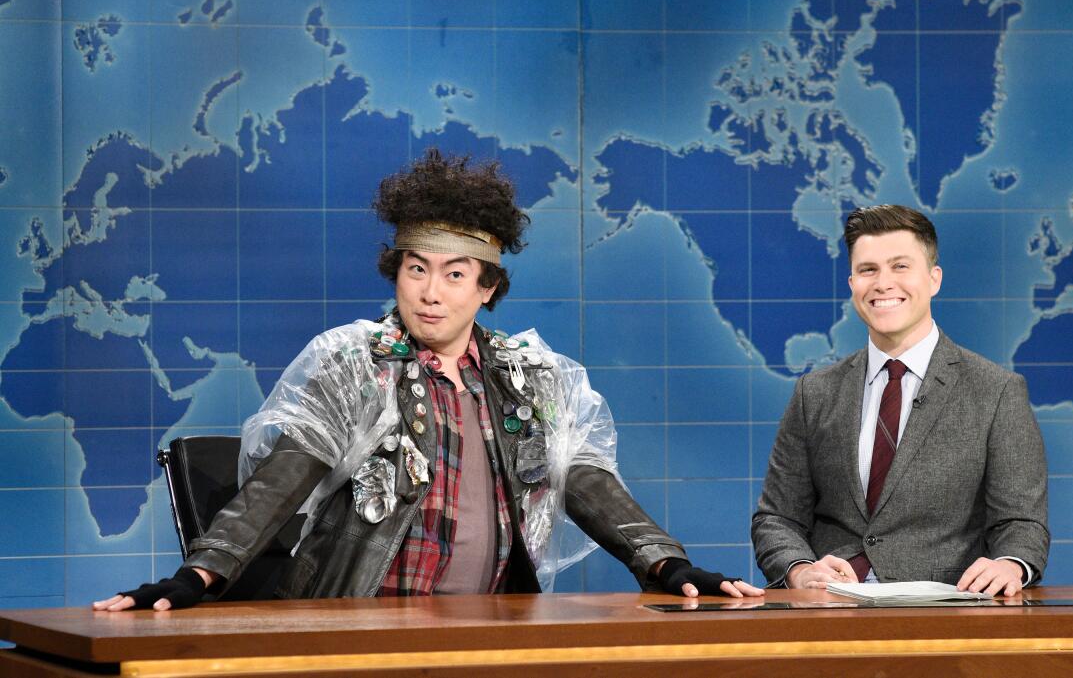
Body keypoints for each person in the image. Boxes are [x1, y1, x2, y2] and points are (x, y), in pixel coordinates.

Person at [96, 150, 762, 611]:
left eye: (453, 274)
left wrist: (666, 564)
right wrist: (198, 573)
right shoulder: (355, 361)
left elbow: (583, 477)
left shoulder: (531, 377)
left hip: (488, 628)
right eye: (416, 269)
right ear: (396, 270)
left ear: (487, 287)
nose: (430, 293)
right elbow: (282, 478)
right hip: (360, 625)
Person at [752, 204, 1049, 596]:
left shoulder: (995, 391)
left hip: (945, 615)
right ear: (853, 282)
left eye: (900, 267)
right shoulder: (816, 392)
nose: (882, 283)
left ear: (934, 279)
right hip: (831, 614)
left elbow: (1022, 523)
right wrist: (800, 569)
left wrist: (1011, 564)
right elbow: (776, 518)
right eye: (868, 270)